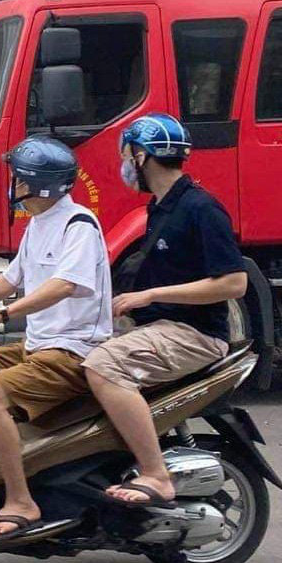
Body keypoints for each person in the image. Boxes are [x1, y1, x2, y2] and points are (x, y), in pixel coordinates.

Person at [0, 137, 112, 538]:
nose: (12, 183)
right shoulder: (38, 223)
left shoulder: (79, 226)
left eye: (18, 177)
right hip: (37, 345)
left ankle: (21, 499)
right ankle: (2, 462)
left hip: (72, 350)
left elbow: (63, 286)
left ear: (40, 184)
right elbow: (10, 279)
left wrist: (0, 314)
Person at [83, 114, 247, 507]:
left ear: (142, 157)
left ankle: (157, 474)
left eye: (126, 155)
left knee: (103, 366)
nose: (123, 165)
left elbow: (233, 283)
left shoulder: (201, 208)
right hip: (163, 326)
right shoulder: (161, 208)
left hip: (195, 334)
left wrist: (151, 295)